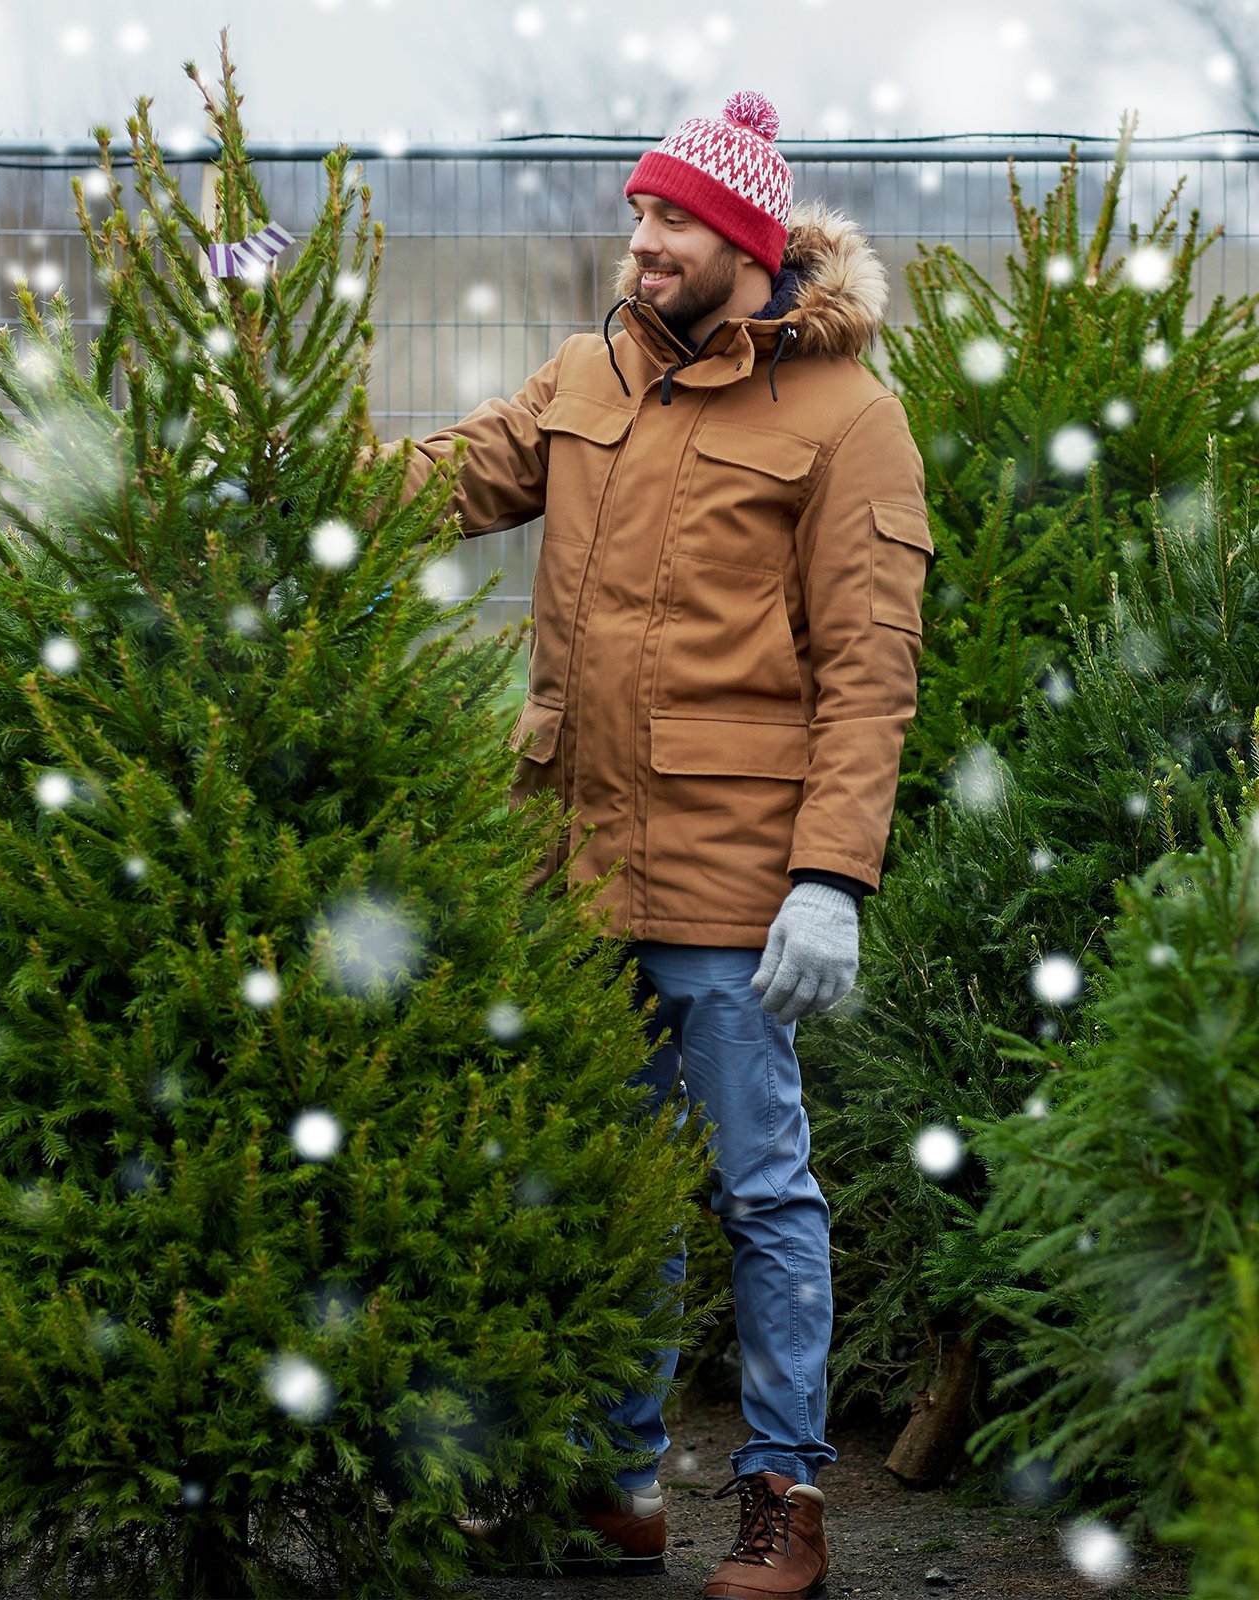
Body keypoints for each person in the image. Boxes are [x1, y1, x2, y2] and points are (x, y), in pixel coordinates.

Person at [397, 90, 930, 1600]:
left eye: (673, 221)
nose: (641, 244)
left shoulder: (845, 418)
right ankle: (615, 1485)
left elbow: (870, 670)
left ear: (749, 246)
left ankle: (783, 1499)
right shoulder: (587, 380)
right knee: (597, 1183)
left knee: (763, 1192)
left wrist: (830, 878)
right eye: (637, 216)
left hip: (737, 880)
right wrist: (271, 459)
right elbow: (442, 477)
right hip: (569, 872)